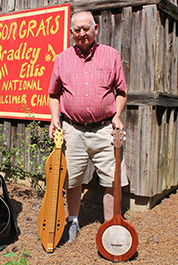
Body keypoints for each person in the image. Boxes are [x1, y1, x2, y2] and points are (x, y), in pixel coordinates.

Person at [48, 11, 129, 243]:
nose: (81, 34)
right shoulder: (62, 58)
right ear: (71, 32)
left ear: (96, 28)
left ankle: (110, 225)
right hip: (72, 130)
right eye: (77, 30)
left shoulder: (110, 55)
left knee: (112, 181)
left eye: (86, 28)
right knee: (72, 180)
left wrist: (118, 115)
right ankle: (72, 220)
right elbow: (54, 94)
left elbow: (121, 92)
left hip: (105, 129)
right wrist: (55, 118)